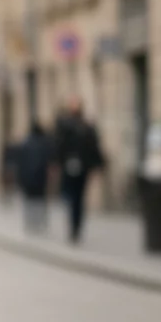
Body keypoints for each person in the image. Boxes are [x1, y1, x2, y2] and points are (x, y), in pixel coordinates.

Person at [54, 96, 105, 243]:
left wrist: (96, 165)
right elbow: (59, 145)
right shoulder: (66, 125)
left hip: (81, 166)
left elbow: (93, 146)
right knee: (72, 197)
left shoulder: (85, 126)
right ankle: (74, 226)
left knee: (77, 198)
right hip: (71, 166)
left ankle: (76, 227)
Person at [16, 121, 53, 233]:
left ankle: (30, 221)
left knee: (29, 200)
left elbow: (20, 162)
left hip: (28, 177)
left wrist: (20, 178)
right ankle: (39, 221)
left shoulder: (26, 143)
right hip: (40, 177)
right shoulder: (44, 143)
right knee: (40, 200)